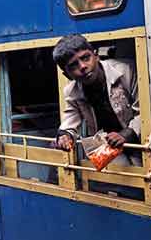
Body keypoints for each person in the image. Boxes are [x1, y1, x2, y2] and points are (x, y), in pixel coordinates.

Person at [52, 34, 141, 167]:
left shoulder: (126, 71)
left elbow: (144, 111)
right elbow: (70, 120)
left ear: (96, 56)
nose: (82, 66)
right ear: (67, 75)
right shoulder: (72, 91)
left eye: (85, 58)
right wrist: (65, 136)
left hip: (139, 140)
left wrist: (125, 134)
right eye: (73, 65)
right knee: (115, 180)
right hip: (108, 148)